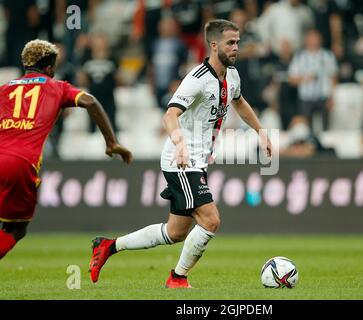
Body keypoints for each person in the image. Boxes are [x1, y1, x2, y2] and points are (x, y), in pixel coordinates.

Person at [89, 19, 273, 288]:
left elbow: (240, 102)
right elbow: (170, 114)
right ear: (213, 45)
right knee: (211, 220)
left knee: (175, 232)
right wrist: (180, 144)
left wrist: (261, 132)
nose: (236, 48)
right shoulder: (197, 79)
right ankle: (177, 278)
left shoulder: (232, 75)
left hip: (197, 161)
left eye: (238, 42)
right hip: (182, 161)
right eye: (230, 43)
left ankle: (108, 246)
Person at [0, 39, 132, 260]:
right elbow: (90, 101)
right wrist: (111, 142)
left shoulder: (4, 89)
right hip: (19, 164)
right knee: (15, 229)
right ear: (50, 68)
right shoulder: (58, 87)